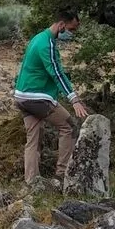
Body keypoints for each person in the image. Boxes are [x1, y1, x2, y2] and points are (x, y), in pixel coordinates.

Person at [14, 9, 90, 183]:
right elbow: (56, 73)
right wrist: (74, 99)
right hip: (36, 98)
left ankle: (31, 182)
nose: (72, 34)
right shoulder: (47, 44)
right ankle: (62, 174)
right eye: (72, 29)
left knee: (33, 140)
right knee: (69, 126)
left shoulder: (38, 38)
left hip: (21, 97)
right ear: (62, 25)